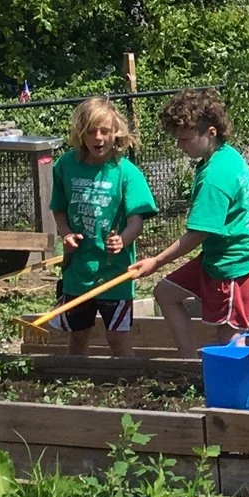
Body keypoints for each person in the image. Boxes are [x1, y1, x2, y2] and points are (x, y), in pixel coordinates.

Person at [134, 88, 249, 352]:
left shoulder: (216, 176)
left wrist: (156, 262)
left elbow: (197, 235)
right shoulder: (223, 154)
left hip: (238, 264)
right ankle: (191, 365)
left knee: (230, 337)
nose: (180, 145)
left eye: (185, 139)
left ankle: (232, 376)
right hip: (217, 257)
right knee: (166, 293)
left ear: (211, 132)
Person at [47, 97, 157, 359]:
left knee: (117, 336)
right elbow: (58, 209)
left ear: (115, 133)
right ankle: (74, 378)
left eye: (105, 131)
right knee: (78, 334)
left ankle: (128, 378)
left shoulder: (126, 172)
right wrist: (66, 233)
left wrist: (123, 239)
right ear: (80, 133)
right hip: (79, 271)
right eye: (91, 131)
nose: (98, 138)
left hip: (114, 273)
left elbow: (136, 221)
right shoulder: (65, 166)